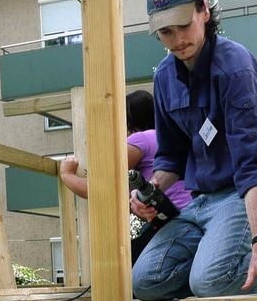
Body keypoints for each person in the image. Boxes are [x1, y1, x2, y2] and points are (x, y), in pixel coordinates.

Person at [131, 0, 257, 300]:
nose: (178, 39)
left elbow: (253, 166)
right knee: (143, 283)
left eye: (184, 25)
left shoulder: (235, 66)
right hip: (201, 202)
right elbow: (171, 158)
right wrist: (149, 191)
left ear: (204, 11)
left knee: (211, 284)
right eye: (166, 31)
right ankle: (216, 262)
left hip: (245, 191)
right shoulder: (164, 77)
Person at [60, 90, 192, 265]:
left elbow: (99, 188)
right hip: (190, 214)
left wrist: (66, 174)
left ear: (128, 119)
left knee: (122, 266)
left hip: (170, 220)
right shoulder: (167, 138)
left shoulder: (139, 140)